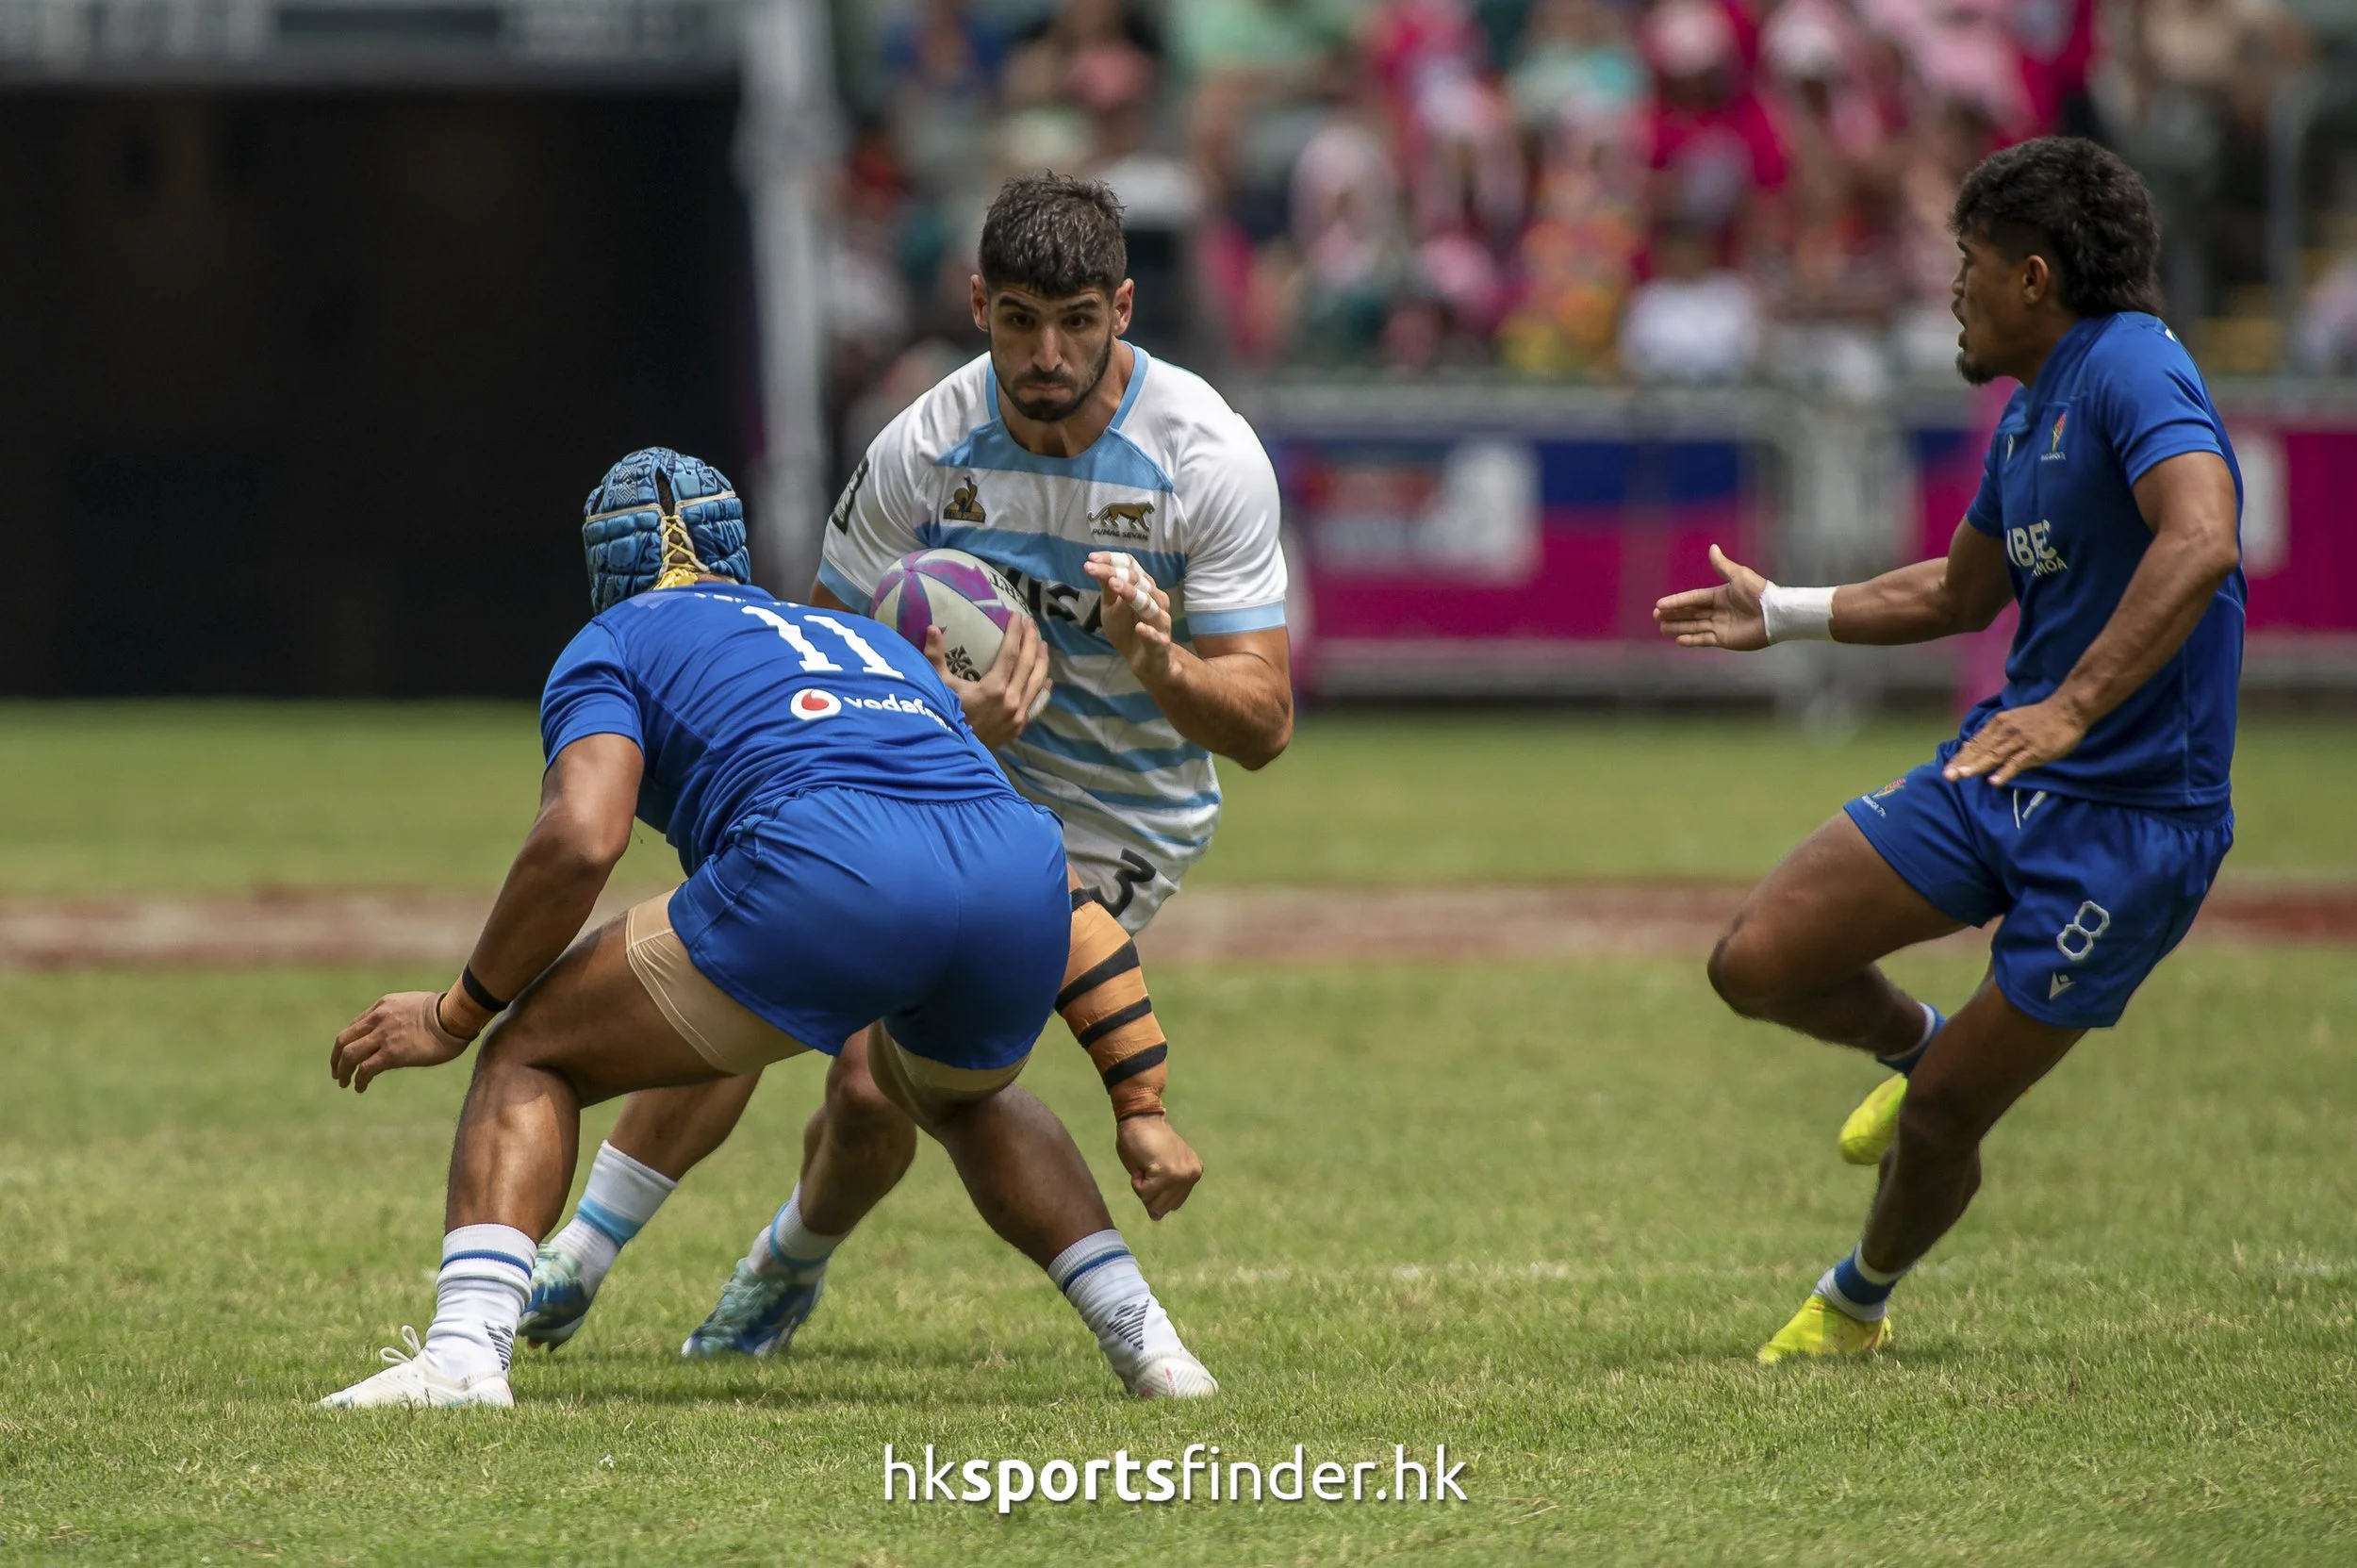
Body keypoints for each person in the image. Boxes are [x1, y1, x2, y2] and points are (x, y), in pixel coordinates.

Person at [519, 173, 1294, 1366]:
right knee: (761, 949)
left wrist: (1158, 660)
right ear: (977, 304)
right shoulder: (922, 446)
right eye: (1019, 320)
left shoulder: (1204, 456)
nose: (1047, 354)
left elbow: (1263, 723)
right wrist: (945, 719)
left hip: (1118, 815)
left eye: (1077, 321)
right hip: (937, 765)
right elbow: (820, 661)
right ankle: (579, 1254)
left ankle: (786, 1261)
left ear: (1125, 309)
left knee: (877, 1086)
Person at [320, 447, 1218, 1407]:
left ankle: (465, 1352)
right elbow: (1065, 899)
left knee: (529, 1049)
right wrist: (1141, 1105)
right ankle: (1153, 1348)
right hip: (1014, 869)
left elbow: (583, 837)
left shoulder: (613, 638)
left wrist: (456, 1013)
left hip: (824, 864)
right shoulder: (866, 641)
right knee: (960, 1099)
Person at [1652, 137, 2243, 1362]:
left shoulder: (2132, 367)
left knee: (1939, 1123)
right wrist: (1786, 610)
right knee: (1756, 961)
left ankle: (1855, 1299)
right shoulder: (2031, 410)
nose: (1951, 289)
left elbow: (2201, 539)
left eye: (1966, 262)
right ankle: (1918, 1044)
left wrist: (2073, 707)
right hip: (2001, 772)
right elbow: (1959, 593)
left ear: (2034, 276)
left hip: (2132, 828)